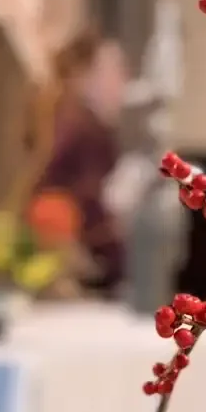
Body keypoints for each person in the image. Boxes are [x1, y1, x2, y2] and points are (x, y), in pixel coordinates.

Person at [33, 30, 128, 293]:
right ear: (85, 78)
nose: (124, 82)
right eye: (115, 71)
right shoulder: (85, 131)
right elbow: (87, 209)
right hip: (78, 272)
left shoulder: (68, 121)